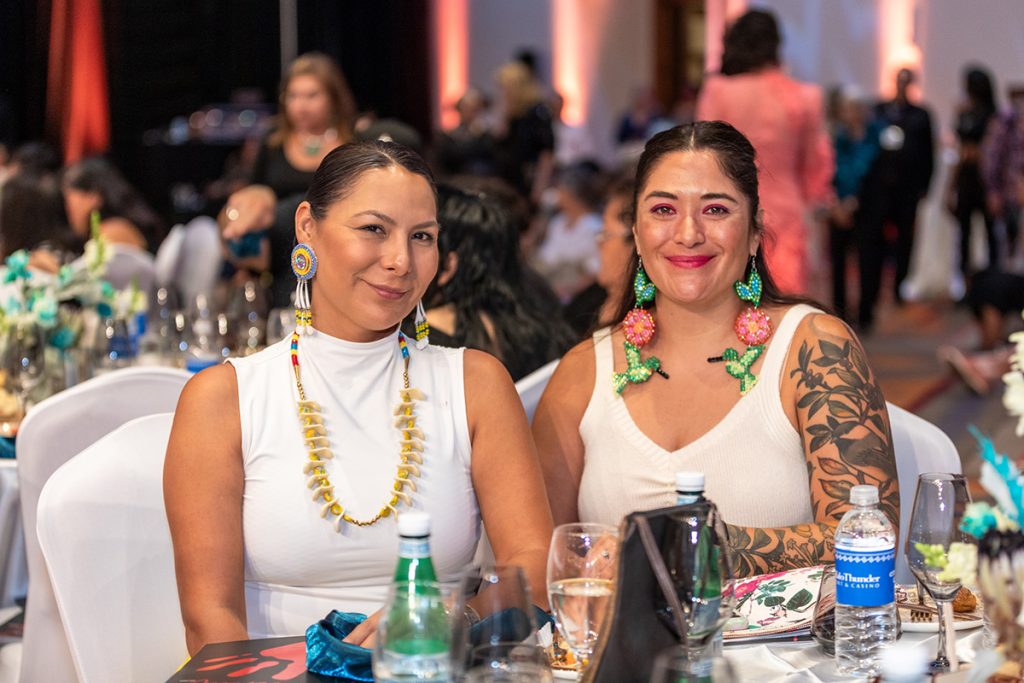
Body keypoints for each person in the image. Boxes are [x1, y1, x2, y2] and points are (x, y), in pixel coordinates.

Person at [165, 140, 553, 654]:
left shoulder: (475, 383)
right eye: (373, 229)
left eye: (422, 236)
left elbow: (533, 564)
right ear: (307, 227)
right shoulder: (223, 399)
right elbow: (209, 618)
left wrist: (447, 617)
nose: (400, 260)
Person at [532, 122, 898, 578]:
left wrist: (682, 549)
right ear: (637, 233)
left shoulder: (814, 348)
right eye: (664, 209)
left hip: (788, 647)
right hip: (625, 647)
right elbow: (541, 556)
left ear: (754, 233)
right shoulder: (585, 369)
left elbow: (868, 534)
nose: (688, 233)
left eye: (716, 210)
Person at [696, 8, 834, 296]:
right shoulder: (806, 97)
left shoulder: (718, 91)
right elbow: (816, 165)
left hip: (727, 209)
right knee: (782, 306)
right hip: (786, 211)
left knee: (728, 303)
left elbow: (703, 157)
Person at [220, 52, 357, 307]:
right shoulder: (272, 140)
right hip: (278, 259)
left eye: (311, 95)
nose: (300, 105)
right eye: (293, 96)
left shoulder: (354, 142)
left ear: (333, 97)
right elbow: (254, 191)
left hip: (336, 254)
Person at [406, 177, 576, 381]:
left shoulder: (419, 339)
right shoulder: (544, 325)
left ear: (449, 265)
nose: (403, 258)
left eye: (421, 239)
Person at [857, 68, 935, 330]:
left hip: (907, 189)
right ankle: (874, 291)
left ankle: (901, 284)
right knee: (874, 242)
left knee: (905, 240)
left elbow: (928, 153)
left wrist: (925, 186)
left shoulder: (921, 115)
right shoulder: (879, 111)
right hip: (879, 190)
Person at [828, 86, 880, 322]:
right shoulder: (836, 139)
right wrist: (837, 203)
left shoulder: (875, 137)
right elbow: (828, 172)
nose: (850, 114)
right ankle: (840, 311)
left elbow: (878, 173)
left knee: (867, 259)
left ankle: (865, 312)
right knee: (838, 261)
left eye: (854, 109)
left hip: (867, 207)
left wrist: (857, 200)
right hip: (838, 207)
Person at [564, 173, 637, 336]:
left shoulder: (658, 319)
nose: (599, 243)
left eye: (605, 234)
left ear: (637, 242)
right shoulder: (585, 306)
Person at [946, 66, 998, 278]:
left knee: (991, 234)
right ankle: (965, 284)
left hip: (987, 181)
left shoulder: (993, 115)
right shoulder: (964, 113)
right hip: (966, 181)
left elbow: (990, 150)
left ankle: (994, 281)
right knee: (964, 234)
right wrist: (950, 188)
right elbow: (959, 150)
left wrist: (978, 152)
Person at [532, 161, 605, 302]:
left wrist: (567, 290)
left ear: (569, 194)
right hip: (551, 288)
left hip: (579, 297)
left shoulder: (593, 226)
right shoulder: (557, 223)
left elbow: (595, 271)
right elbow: (546, 260)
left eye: (559, 190)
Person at [61, 157, 164, 252]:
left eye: (69, 202)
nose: (67, 209)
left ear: (93, 197)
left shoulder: (111, 232)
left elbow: (95, 271)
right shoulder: (118, 226)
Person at [493, 61, 555, 205]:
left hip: (528, 178)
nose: (502, 92)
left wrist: (539, 186)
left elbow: (546, 153)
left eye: (505, 87)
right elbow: (500, 139)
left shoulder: (537, 112)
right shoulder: (512, 114)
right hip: (508, 178)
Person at [983, 83, 1024, 268]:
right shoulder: (1005, 121)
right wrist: (994, 192)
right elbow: (992, 160)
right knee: (1007, 245)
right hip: (1010, 194)